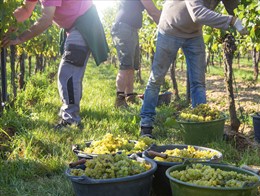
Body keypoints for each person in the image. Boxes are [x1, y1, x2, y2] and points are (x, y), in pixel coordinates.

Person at [139, 0, 248, 138]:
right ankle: (146, 125)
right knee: (156, 78)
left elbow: (235, 9)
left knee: (198, 83)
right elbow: (198, 14)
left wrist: (249, 21)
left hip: (194, 34)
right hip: (170, 28)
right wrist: (232, 21)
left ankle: (201, 126)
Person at [2, 0, 109, 129]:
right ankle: (71, 112)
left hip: (84, 24)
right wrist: (8, 23)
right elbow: (26, 10)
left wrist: (20, 38)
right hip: (74, 26)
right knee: (70, 71)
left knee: (68, 72)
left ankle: (70, 120)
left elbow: (46, 20)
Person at [111, 0, 161, 108]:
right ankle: (119, 100)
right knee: (125, 65)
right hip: (124, 28)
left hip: (130, 29)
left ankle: (129, 96)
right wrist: (167, 25)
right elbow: (153, 11)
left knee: (132, 66)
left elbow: (151, 12)